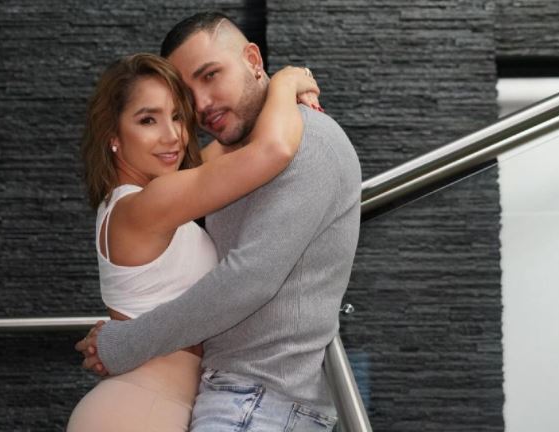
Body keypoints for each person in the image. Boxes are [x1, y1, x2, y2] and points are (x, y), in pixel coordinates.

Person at [76, 12, 362, 432]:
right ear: (113, 138)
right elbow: (269, 150)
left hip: (247, 402)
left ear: (252, 59)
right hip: (177, 403)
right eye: (148, 119)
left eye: (177, 114)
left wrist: (124, 342)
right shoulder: (155, 197)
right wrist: (285, 81)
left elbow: (248, 274)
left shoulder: (301, 142)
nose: (197, 111)